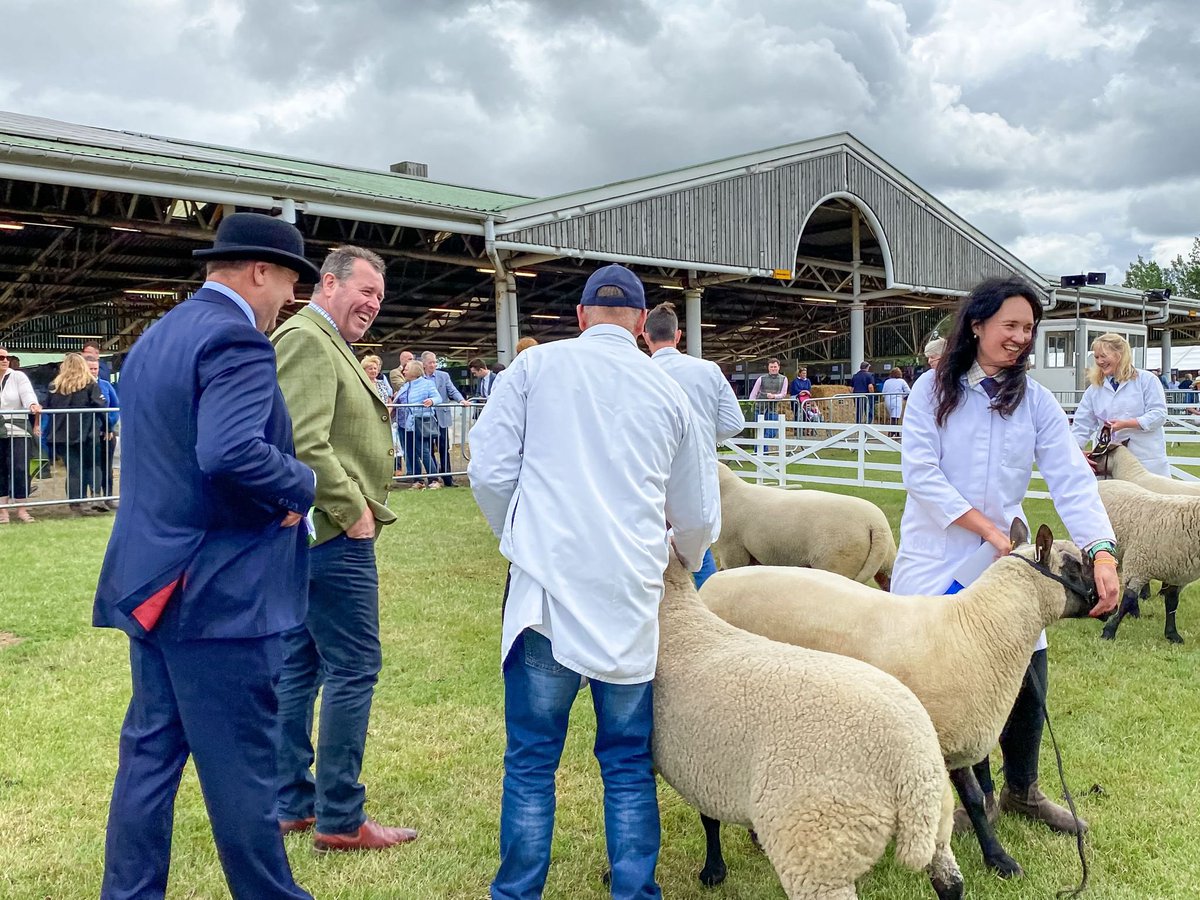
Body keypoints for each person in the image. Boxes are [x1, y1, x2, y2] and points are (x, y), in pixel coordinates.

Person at [469, 264, 718, 900]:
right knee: (627, 762)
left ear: (581, 316)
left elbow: (491, 469)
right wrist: (684, 555)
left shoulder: (534, 368)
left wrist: (522, 538)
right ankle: (634, 892)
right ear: (641, 324)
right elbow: (698, 514)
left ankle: (517, 892)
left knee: (531, 761)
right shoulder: (670, 394)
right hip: (628, 599)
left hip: (546, 600)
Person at [92, 212, 318, 900]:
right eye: (289, 282)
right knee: (244, 771)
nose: (288, 299)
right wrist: (299, 484)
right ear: (259, 272)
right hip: (219, 594)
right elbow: (227, 452)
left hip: (153, 581)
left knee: (149, 760)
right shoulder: (237, 340)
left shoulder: (159, 337)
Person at [893, 276, 1119, 839]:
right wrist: (988, 531)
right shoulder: (930, 389)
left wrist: (1102, 550)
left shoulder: (1036, 400)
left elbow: (1069, 477)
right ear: (978, 325)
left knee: (1024, 664)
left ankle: (1023, 788)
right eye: (1010, 326)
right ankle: (978, 795)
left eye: (1028, 329)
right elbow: (921, 473)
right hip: (939, 553)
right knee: (942, 677)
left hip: (1005, 560)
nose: (1020, 338)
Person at [272, 246, 416, 852]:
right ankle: (338, 816)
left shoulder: (322, 339)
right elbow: (305, 440)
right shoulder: (309, 338)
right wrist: (351, 509)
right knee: (353, 669)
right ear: (326, 284)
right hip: (331, 534)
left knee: (301, 668)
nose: (373, 304)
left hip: (311, 537)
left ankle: (292, 803)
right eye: (365, 291)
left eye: (380, 297)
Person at [642, 301, 744, 588]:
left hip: (651, 468)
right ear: (678, 336)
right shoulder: (708, 371)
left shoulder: (639, 371)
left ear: (646, 336)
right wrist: (699, 439)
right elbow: (734, 422)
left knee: (650, 542)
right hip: (695, 472)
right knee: (697, 548)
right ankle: (710, 607)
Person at [1071, 333, 1168, 476]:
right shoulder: (1094, 389)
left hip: (1146, 460)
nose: (1099, 361)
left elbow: (1159, 414)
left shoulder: (1147, 380)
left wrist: (1127, 424)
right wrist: (1074, 452)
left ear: (1119, 355)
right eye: (1096, 357)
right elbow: (1081, 425)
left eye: (1103, 356)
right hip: (1110, 463)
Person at [44, 352, 105, 516]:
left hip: (61, 434)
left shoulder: (55, 386)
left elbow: (47, 408)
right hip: (85, 432)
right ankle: (94, 498)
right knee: (91, 465)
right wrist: (107, 427)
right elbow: (101, 407)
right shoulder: (89, 384)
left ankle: (75, 504)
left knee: (73, 469)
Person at [0, 346, 42, 524]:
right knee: (0, 469)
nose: (4, 360)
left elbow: (28, 395)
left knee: (20, 468)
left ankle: (21, 509)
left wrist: (33, 405)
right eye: (1, 357)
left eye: (6, 357)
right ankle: (3, 511)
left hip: (18, 429)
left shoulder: (18, 377)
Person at [420, 350, 470, 487]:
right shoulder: (419, 377)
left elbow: (452, 390)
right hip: (427, 417)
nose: (433, 365)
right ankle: (434, 477)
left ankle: (447, 477)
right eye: (430, 362)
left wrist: (461, 400)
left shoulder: (444, 376)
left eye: (435, 362)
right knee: (429, 448)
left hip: (442, 416)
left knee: (444, 446)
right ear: (424, 364)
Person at [393, 359, 441, 489]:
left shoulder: (427, 384)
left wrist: (431, 400)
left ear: (414, 370)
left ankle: (434, 479)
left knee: (423, 451)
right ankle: (418, 480)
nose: (404, 371)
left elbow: (438, 398)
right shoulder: (405, 386)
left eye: (406, 368)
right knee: (409, 452)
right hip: (403, 424)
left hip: (418, 423)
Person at [85, 356, 120, 511]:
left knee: (107, 466)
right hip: (88, 433)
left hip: (106, 433)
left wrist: (109, 427)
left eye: (95, 368)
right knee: (92, 465)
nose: (93, 371)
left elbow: (114, 406)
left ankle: (108, 496)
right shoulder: (81, 386)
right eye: (90, 368)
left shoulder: (105, 385)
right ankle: (94, 496)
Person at [748, 358, 788, 445]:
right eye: (771, 367)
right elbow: (753, 393)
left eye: (775, 367)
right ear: (768, 368)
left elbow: (783, 394)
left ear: (779, 367)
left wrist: (774, 396)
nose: (773, 368)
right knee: (759, 431)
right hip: (759, 408)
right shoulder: (761, 378)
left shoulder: (784, 379)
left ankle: (763, 448)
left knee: (772, 431)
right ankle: (761, 453)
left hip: (772, 408)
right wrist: (750, 405)